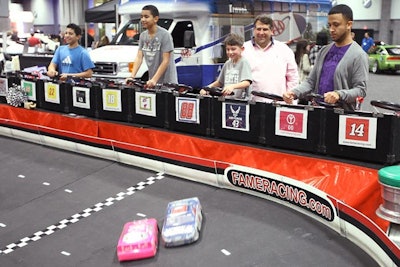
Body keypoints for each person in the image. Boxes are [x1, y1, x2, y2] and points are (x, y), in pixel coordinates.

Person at [282, 4, 368, 111]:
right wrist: (294, 92)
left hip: (341, 117)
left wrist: (339, 94)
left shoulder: (358, 55)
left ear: (349, 25)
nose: (331, 29)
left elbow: (361, 90)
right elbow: (311, 82)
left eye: (336, 25)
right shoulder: (324, 51)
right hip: (318, 112)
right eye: (329, 25)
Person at [242, 14, 298, 102]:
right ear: (254, 30)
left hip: (278, 104)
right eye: (258, 29)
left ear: (272, 31)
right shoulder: (243, 49)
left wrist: (291, 99)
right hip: (250, 103)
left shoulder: (284, 50)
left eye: (265, 29)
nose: (261, 33)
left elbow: (293, 77)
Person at [126, 5, 177, 88]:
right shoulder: (143, 36)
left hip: (167, 83)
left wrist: (154, 79)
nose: (143, 20)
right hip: (152, 82)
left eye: (146, 17)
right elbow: (139, 57)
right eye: (141, 17)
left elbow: (166, 61)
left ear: (155, 19)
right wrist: (132, 76)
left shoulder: (165, 35)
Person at [199, 33, 252, 99]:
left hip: (239, 101)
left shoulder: (244, 62)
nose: (230, 52)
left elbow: (247, 82)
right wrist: (207, 87)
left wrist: (232, 86)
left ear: (242, 49)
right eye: (228, 49)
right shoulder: (227, 63)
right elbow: (220, 82)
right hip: (226, 100)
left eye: (233, 49)